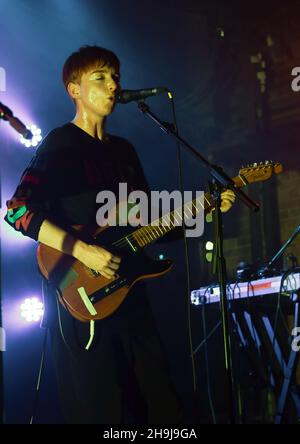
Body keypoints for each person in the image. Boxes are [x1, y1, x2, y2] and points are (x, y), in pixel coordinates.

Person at [5, 45, 235, 424]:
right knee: (101, 408)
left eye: (115, 76)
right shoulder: (61, 145)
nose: (113, 85)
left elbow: (148, 225)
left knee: (161, 405)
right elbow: (16, 211)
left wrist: (206, 209)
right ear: (74, 89)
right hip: (83, 302)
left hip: (131, 294)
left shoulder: (124, 151)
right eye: (100, 77)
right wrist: (83, 250)